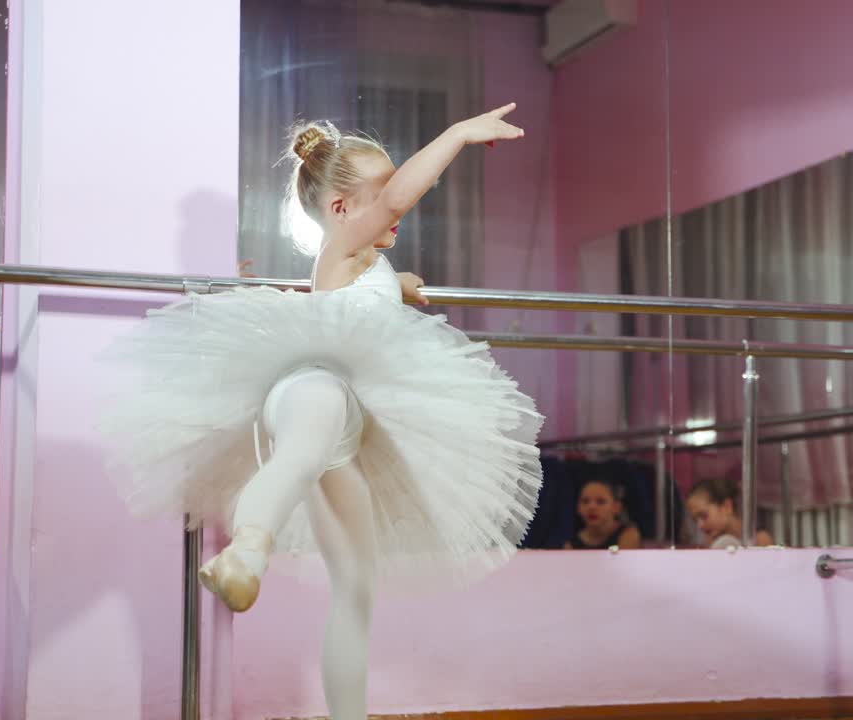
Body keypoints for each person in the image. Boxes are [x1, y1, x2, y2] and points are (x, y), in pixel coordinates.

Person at [98, 104, 541, 720]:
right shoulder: (346, 245)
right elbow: (393, 207)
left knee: (357, 586)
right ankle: (246, 550)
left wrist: (399, 281)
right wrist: (459, 134)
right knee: (299, 455)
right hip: (314, 386)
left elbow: (369, 273)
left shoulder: (362, 260)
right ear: (341, 209)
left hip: (347, 422)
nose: (398, 203)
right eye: (384, 191)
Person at [685, 476, 773, 548]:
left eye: (703, 515)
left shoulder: (760, 540)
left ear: (727, 507)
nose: (699, 525)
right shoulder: (710, 543)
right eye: (694, 520)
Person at [564, 480, 641, 550]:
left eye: (600, 501)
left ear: (616, 507)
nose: (592, 507)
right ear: (578, 508)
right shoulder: (571, 544)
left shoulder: (628, 535)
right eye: (585, 501)